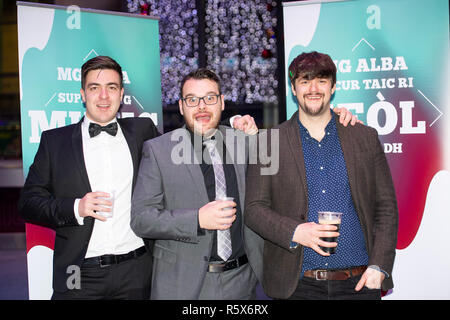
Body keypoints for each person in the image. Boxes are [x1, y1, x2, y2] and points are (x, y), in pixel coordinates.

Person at [130, 68, 358, 300]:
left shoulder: (246, 143)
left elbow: (294, 150)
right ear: (181, 106)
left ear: (221, 103)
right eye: (192, 100)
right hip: (182, 285)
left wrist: (331, 121)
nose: (201, 107)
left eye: (209, 98)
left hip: (241, 283)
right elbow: (141, 219)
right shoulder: (158, 150)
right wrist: (197, 220)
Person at [244, 51, 399, 300]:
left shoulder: (364, 137)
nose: (313, 88)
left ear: (333, 86)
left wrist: (379, 265)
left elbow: (386, 207)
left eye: (321, 81)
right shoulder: (269, 143)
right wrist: (295, 231)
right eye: (304, 81)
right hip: (297, 287)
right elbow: (253, 208)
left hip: (359, 284)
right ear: (293, 89)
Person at [18, 56, 160, 299]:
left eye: (111, 87)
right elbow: (28, 203)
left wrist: (233, 125)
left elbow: (185, 147)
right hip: (79, 274)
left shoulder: (142, 131)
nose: (103, 96)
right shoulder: (54, 142)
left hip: (137, 271)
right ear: (83, 94)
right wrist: (76, 207)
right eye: (95, 88)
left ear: (121, 93)